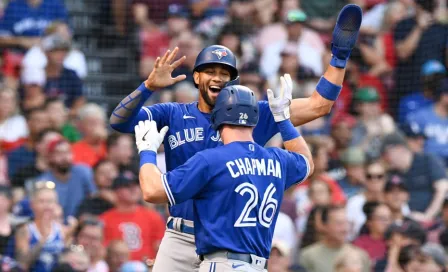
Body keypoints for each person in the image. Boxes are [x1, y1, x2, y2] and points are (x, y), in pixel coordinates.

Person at [109, 5, 363, 271]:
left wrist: (339, 57)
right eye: (210, 71)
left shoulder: (255, 112)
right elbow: (119, 121)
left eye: (225, 73)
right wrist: (148, 86)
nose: (218, 78)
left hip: (230, 242)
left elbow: (319, 105)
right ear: (196, 76)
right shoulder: (172, 113)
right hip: (181, 236)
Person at [135, 81, 314, 271]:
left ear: (216, 119)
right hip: (258, 265)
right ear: (254, 120)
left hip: (222, 264)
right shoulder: (277, 158)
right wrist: (283, 120)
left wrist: (147, 151)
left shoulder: (211, 160)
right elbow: (308, 163)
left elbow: (152, 191)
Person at [14, 181, 66, 272]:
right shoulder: (25, 230)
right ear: (32, 205)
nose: (46, 206)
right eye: (41, 201)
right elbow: (22, 264)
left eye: (50, 201)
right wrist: (43, 240)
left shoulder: (62, 229)